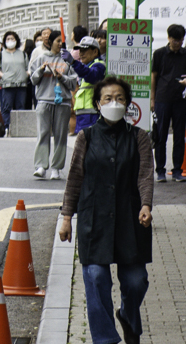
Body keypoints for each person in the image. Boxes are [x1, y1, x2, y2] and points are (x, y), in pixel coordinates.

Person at [60, 76, 155, 344]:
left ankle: (127, 315)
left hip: (130, 217)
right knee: (96, 278)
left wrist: (146, 204)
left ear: (128, 104)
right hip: (94, 219)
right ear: (97, 104)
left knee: (136, 281)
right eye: (108, 98)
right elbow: (74, 178)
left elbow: (146, 174)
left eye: (120, 98)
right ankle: (105, 339)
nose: (115, 103)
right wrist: (67, 217)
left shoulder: (139, 137)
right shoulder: (86, 136)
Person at [149, 23, 186, 182]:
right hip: (162, 98)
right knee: (160, 135)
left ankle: (177, 170)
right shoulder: (160, 53)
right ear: (169, 38)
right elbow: (154, 76)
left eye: (180, 41)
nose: (177, 44)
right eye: (175, 40)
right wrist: (152, 98)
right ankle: (160, 170)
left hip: (180, 99)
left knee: (180, 135)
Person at [30, 31, 77, 178]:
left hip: (62, 102)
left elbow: (73, 83)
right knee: (43, 133)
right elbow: (33, 80)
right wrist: (41, 69)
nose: (60, 44)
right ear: (50, 42)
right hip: (44, 101)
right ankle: (41, 166)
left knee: (60, 135)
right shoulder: (41, 58)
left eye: (62, 41)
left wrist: (61, 76)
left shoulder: (67, 60)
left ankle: (56, 168)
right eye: (57, 41)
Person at [69, 36, 107, 132]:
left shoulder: (99, 65)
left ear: (95, 52)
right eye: (80, 51)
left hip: (92, 114)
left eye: (85, 50)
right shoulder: (87, 66)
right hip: (83, 115)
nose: (81, 54)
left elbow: (92, 76)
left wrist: (74, 62)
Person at [0, 31, 29, 134]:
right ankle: (7, 128)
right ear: (5, 41)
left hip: (21, 84)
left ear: (16, 40)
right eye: (8, 39)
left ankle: (20, 128)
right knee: (6, 107)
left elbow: (28, 67)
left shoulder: (22, 54)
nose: (10, 41)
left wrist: (25, 75)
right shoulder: (1, 54)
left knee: (20, 107)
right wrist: (3, 76)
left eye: (12, 39)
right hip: (7, 84)